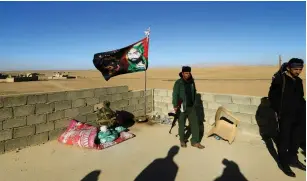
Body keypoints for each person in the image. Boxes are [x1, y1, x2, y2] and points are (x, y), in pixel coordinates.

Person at [268, 58, 306, 177]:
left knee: (296, 139)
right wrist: (279, 112)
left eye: (300, 69)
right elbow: (272, 97)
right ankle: (283, 164)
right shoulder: (280, 79)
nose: (298, 71)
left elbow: (301, 97)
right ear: (289, 68)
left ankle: (293, 160)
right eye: (295, 69)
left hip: (299, 116)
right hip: (285, 116)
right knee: (284, 141)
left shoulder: (298, 81)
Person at [172, 66, 205, 149]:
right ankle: (182, 140)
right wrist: (175, 105)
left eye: (189, 73)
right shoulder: (178, 83)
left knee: (195, 124)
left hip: (191, 107)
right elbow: (175, 94)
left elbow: (194, 92)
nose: (188, 74)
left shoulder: (192, 82)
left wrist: (194, 103)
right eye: (186, 73)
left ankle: (195, 141)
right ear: (182, 73)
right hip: (182, 107)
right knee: (182, 124)